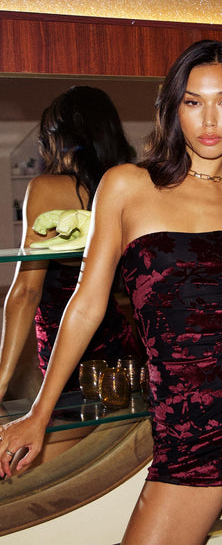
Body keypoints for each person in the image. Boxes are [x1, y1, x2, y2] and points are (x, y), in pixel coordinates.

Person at [0, 41, 222, 544]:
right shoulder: (126, 185)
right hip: (187, 424)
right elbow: (87, 303)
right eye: (192, 101)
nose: (209, 120)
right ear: (173, 108)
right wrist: (40, 412)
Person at [0, 86, 140, 400]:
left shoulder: (46, 188)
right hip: (120, 345)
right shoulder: (127, 186)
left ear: (57, 137)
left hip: (66, 352)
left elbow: (27, 291)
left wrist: (1, 381)